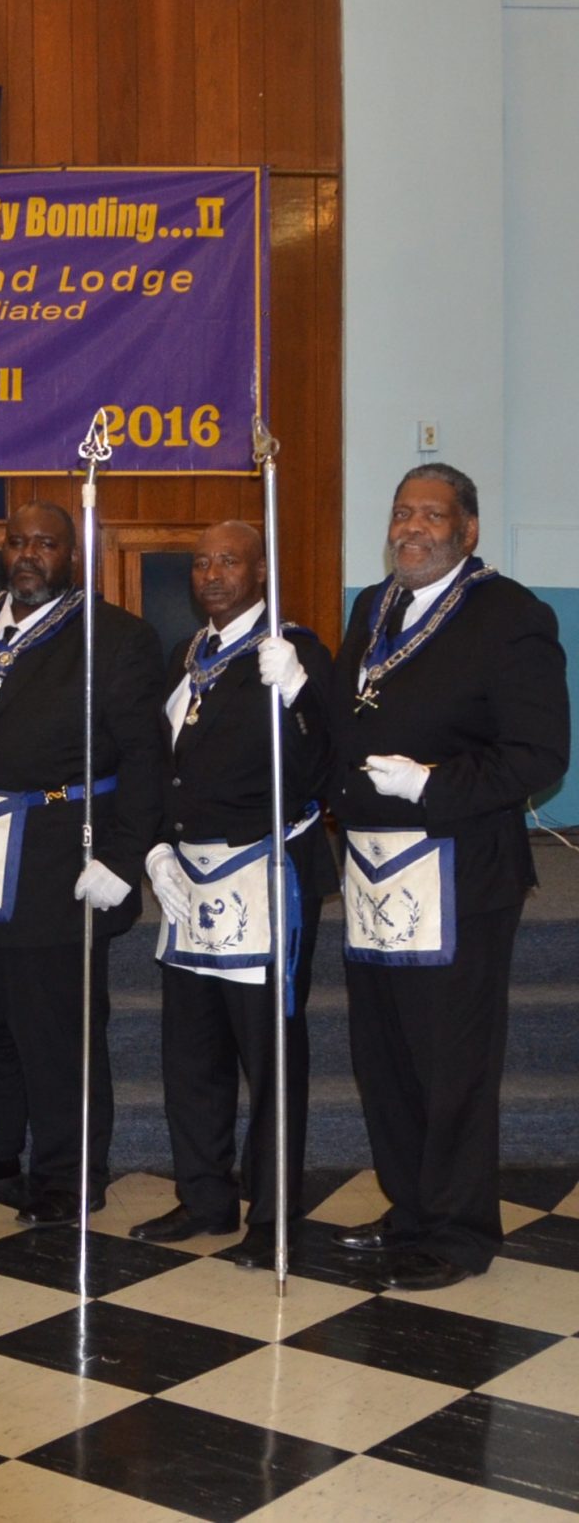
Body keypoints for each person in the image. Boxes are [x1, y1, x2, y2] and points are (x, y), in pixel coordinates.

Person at [331, 463, 568, 1290]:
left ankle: (460, 1231)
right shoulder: (375, 605)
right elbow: (352, 713)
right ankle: (411, 1208)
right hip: (374, 869)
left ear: (467, 530)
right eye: (402, 513)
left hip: (461, 871)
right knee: (386, 1052)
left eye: (432, 515)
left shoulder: (511, 615)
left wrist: (434, 784)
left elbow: (540, 756)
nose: (412, 528)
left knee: (452, 1058)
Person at [0, 501, 166, 1224]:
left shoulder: (116, 638)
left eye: (46, 543)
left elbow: (145, 758)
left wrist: (122, 857)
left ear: (72, 556)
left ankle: (69, 1174)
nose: (29, 555)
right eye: (17, 542)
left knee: (55, 1030)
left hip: (57, 855)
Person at [130, 522, 336, 1267]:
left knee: (270, 1053)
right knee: (193, 1051)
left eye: (229, 561)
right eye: (201, 562)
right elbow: (159, 762)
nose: (212, 574)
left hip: (265, 872)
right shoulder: (188, 656)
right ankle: (205, 1197)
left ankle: (274, 1214)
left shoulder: (292, 650)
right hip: (191, 878)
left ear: (260, 571)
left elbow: (324, 763)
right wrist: (154, 847)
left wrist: (301, 693)